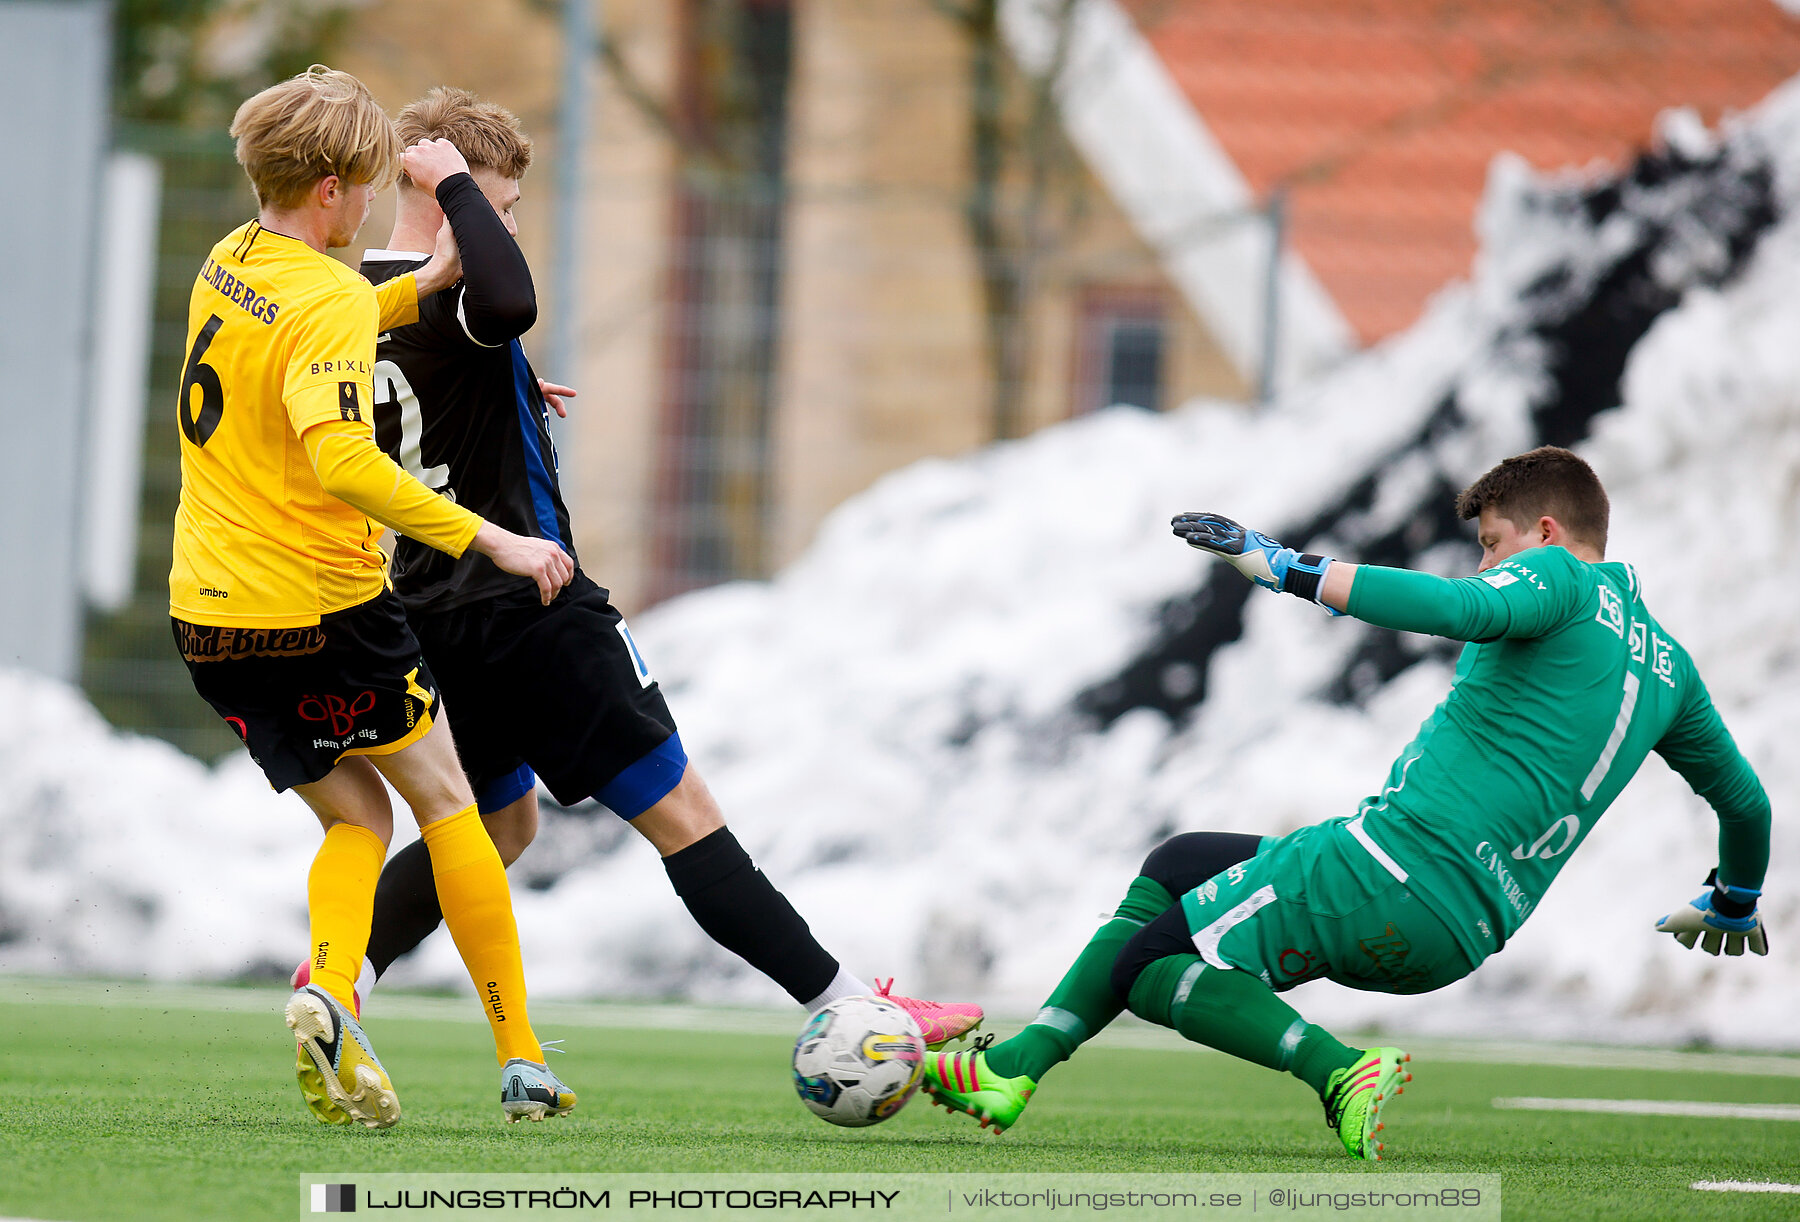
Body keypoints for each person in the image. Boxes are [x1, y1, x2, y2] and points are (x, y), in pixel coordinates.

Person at [290, 86, 980, 1045]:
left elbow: (410, 402)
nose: (507, 222)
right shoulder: (459, 289)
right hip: (533, 605)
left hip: (430, 613)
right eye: (502, 203)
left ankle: (339, 980)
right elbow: (505, 297)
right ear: (442, 189)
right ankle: (850, 1009)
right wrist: (458, 191)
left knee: (498, 825)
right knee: (681, 809)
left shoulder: (355, 300)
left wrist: (513, 393)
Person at [921, 446, 1771, 1158]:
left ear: (1547, 532)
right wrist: (1734, 900)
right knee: (1178, 867)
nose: (1488, 563)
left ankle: (1337, 1070)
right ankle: (1018, 1066)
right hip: (1462, 935)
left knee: (1149, 965)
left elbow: (1456, 606)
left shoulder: (1559, 579)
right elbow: (1748, 807)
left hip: (1393, 868)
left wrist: (1289, 568)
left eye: (1491, 543)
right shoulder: (1672, 670)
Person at [170, 66, 580, 1128]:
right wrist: (491, 534)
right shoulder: (331, 294)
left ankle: (326, 986)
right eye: (363, 188)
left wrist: (425, 280)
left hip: (210, 617)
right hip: (325, 607)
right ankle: (523, 1056)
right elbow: (348, 460)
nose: (366, 208)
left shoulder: (231, 262)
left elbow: (325, 324)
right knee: (454, 804)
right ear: (332, 196)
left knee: (355, 813)